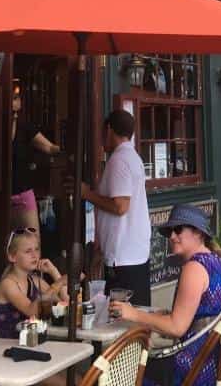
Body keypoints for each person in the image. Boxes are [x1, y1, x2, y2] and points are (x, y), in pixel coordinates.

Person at [111, 205, 221, 386]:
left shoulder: (194, 268)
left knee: (122, 371)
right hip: (216, 362)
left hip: (194, 368)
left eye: (178, 230)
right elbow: (202, 315)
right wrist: (162, 316)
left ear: (198, 233)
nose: (172, 236)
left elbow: (177, 328)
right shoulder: (218, 262)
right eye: (170, 231)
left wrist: (133, 314)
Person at [80, 109, 152, 306]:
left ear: (109, 130)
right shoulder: (133, 157)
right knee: (137, 314)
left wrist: (86, 194)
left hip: (123, 257)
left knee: (122, 316)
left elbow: (120, 206)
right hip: (133, 253)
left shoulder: (119, 160)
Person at [0, 227, 69, 338]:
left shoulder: (35, 280)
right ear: (12, 257)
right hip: (5, 344)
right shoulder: (8, 284)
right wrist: (58, 284)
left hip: (30, 343)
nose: (34, 255)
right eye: (28, 251)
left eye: (37, 249)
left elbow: (65, 305)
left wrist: (54, 272)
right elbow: (32, 311)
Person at [10, 83, 60, 234]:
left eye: (16, 98)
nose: (15, 102)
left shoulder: (25, 127)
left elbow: (49, 148)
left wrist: (64, 149)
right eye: (12, 98)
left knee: (32, 237)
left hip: (22, 192)